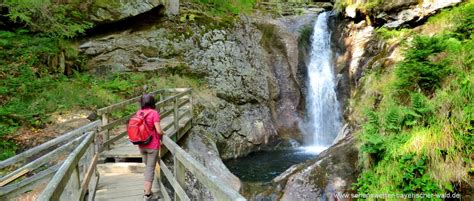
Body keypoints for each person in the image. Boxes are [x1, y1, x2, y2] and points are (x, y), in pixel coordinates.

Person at [137, 94, 164, 200]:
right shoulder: (154, 113)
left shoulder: (139, 113)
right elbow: (158, 130)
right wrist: (163, 133)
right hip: (152, 146)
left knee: (147, 167)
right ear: (153, 102)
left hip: (141, 145)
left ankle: (147, 190)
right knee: (150, 169)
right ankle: (147, 195)